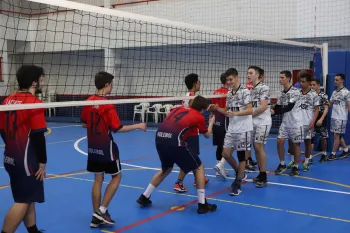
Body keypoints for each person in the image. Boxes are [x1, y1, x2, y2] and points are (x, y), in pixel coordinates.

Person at [81, 71, 147, 227]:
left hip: (92, 146)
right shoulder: (107, 104)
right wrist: (138, 125)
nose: (112, 87)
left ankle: (96, 216)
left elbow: (84, 123)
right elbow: (118, 128)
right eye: (112, 84)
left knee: (98, 179)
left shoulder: (88, 101)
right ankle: (101, 211)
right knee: (117, 177)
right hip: (106, 146)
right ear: (106, 85)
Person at [136, 96, 217, 214]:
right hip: (174, 141)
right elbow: (207, 135)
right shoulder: (199, 116)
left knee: (166, 169)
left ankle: (144, 196)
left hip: (159, 138)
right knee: (199, 167)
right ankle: (202, 204)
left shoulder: (177, 109)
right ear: (203, 110)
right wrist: (211, 123)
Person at [0, 65, 47, 233]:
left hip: (10, 156)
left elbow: (2, 130)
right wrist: (42, 163)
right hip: (26, 160)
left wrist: (13, 146)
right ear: (34, 82)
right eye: (41, 78)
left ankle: (33, 230)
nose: (43, 80)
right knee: (23, 201)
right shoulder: (34, 103)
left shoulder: (7, 100)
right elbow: (38, 136)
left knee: (28, 197)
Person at [213, 68, 252, 196]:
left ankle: (238, 183)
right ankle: (239, 173)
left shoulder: (245, 91)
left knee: (241, 157)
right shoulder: (229, 93)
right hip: (232, 128)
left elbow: (249, 110)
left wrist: (235, 113)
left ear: (236, 78)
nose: (229, 82)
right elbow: (227, 110)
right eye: (227, 80)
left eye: (231, 79)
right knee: (226, 153)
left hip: (243, 128)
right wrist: (217, 108)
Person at [175, 73, 209, 193]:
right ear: (195, 83)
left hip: (186, 131)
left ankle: (198, 178)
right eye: (198, 81)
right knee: (190, 158)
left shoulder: (187, 96)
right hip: (190, 132)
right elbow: (194, 114)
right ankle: (179, 182)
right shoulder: (193, 98)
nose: (200, 83)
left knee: (193, 157)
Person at [271, 70, 303, 176]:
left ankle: (295, 166)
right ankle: (282, 164)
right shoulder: (281, 94)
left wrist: (273, 112)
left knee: (295, 145)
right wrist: (271, 111)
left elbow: (289, 107)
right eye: (280, 77)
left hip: (295, 122)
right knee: (280, 141)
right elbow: (279, 107)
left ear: (288, 78)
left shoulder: (295, 91)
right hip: (285, 122)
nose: (280, 79)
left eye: (282, 77)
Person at [247, 66, 271, 187]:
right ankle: (261, 174)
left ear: (257, 75)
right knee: (256, 148)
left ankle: (264, 176)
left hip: (263, 121)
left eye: (251, 73)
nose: (248, 75)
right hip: (254, 122)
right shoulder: (251, 90)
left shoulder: (264, 88)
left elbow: (263, 106)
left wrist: (249, 115)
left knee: (258, 146)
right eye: (248, 73)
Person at [295, 73, 320, 172]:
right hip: (297, 122)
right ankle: (295, 163)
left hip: (308, 122)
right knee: (295, 143)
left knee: (307, 142)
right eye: (300, 81)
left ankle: (306, 161)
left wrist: (313, 122)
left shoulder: (314, 94)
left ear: (309, 82)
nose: (301, 83)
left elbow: (317, 109)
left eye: (303, 82)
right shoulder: (297, 93)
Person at [211, 73, 233, 177]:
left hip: (216, 121)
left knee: (220, 145)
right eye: (230, 79)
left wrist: (211, 121)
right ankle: (220, 166)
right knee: (228, 145)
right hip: (225, 121)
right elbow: (226, 109)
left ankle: (218, 168)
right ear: (227, 80)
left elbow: (212, 108)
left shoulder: (215, 92)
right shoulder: (229, 93)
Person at [328, 73, 350, 160]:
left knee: (336, 135)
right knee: (336, 135)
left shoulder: (347, 92)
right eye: (334, 80)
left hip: (341, 117)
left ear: (342, 80)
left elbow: (349, 105)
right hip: (334, 116)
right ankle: (345, 149)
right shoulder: (334, 92)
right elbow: (330, 103)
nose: (335, 81)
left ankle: (333, 154)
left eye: (337, 80)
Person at [310, 79, 329, 162]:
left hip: (321, 116)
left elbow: (326, 108)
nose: (312, 86)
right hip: (312, 116)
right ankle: (309, 157)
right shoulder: (310, 95)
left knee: (323, 137)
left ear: (318, 85)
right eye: (311, 85)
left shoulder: (323, 95)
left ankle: (324, 154)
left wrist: (321, 119)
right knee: (310, 137)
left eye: (314, 85)